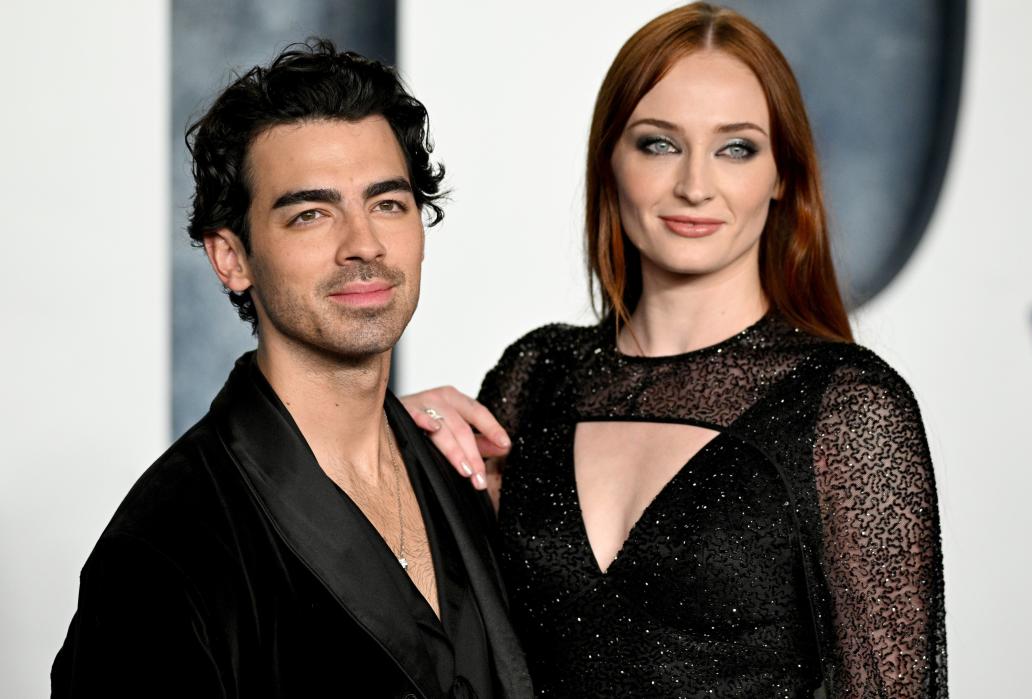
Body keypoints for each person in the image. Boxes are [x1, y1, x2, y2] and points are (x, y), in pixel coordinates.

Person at [403, 3, 947, 697]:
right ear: (611, 160)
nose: (695, 184)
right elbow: (442, 651)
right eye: (659, 143)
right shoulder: (534, 375)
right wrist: (393, 450)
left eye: (736, 148)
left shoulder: (846, 406)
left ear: (783, 175)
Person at [52, 41, 531, 699]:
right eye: (311, 213)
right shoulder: (164, 549)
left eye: (388, 203)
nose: (362, 243)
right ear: (231, 256)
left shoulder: (461, 476)